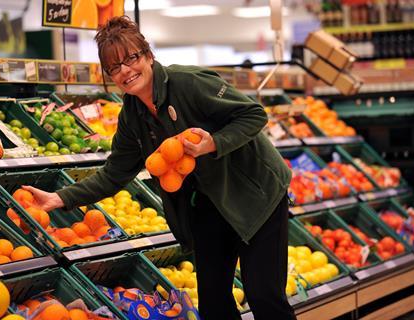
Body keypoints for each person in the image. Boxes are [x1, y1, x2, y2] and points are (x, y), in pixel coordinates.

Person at [23, 16, 296, 320]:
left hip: (255, 193)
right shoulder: (132, 117)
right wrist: (60, 198)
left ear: (148, 55)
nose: (126, 70)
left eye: (132, 58)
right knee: (213, 302)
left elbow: (253, 114)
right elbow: (115, 173)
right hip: (208, 202)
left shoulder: (189, 83)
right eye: (115, 67)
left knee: (263, 295)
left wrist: (214, 143)